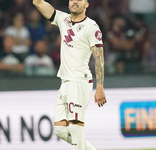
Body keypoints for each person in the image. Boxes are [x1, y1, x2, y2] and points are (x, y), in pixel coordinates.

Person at [33, 0, 107, 149]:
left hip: (79, 80)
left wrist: (100, 87)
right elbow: (38, 3)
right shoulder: (63, 19)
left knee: (75, 127)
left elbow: (99, 58)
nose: (74, 1)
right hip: (65, 81)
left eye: (79, 0)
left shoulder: (91, 27)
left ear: (86, 4)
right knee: (60, 129)